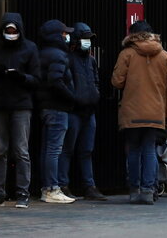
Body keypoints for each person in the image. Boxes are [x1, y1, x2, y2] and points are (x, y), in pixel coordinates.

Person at [0, 12, 40, 209]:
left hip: (21, 104)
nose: (11, 33)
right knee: (0, 150)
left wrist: (22, 77)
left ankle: (23, 192)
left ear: (19, 30)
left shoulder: (30, 47)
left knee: (21, 150)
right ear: (2, 30)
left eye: (13, 30)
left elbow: (37, 79)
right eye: (7, 30)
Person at [112, 21, 167, 205]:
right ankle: (148, 191)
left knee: (133, 150)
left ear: (132, 35)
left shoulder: (127, 54)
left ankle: (134, 189)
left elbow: (116, 81)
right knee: (149, 150)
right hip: (155, 112)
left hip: (132, 111)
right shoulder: (164, 56)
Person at [58, 22, 107, 201]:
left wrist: (95, 94)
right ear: (77, 40)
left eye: (89, 39)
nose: (87, 42)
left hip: (88, 110)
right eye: (85, 39)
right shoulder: (69, 58)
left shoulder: (91, 60)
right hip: (74, 110)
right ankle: (64, 184)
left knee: (86, 150)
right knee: (68, 149)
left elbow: (95, 80)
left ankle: (89, 186)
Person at [36, 19, 76, 203]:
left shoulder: (42, 53)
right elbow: (56, 80)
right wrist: (71, 96)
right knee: (54, 149)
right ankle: (52, 188)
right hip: (58, 107)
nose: (67, 36)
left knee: (47, 148)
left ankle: (47, 187)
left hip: (45, 106)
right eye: (64, 33)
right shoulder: (58, 55)